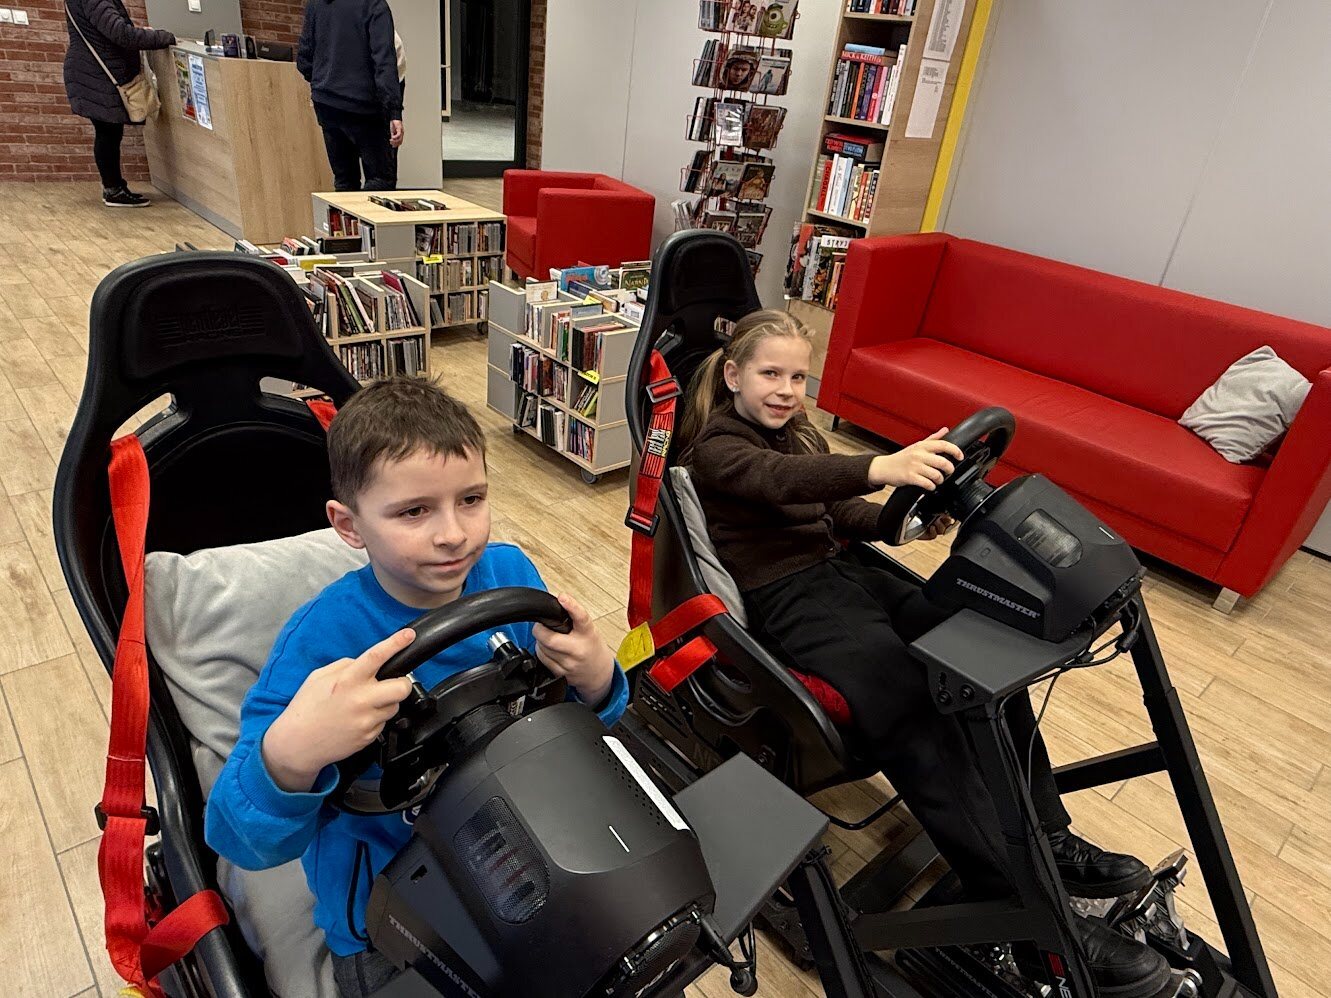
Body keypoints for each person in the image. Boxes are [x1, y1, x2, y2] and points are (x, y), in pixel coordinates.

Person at [678, 310, 1172, 998]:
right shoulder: (716, 447)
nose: (786, 389)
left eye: (797, 376)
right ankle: (1018, 909)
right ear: (733, 375)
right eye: (770, 373)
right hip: (788, 598)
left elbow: (830, 514)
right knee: (911, 702)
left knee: (982, 654)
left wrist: (903, 519)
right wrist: (881, 466)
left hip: (846, 574)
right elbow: (781, 481)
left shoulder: (795, 432)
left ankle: (1047, 837)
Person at [205, 377, 628, 998]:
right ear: (349, 525)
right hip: (394, 903)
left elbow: (574, 730)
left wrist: (596, 680)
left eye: (471, 499)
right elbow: (236, 836)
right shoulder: (320, 642)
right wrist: (293, 752)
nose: (454, 533)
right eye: (414, 511)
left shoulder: (510, 574)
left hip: (529, 846)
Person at [62, 0, 175, 208]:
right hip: (96, 75)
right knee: (108, 133)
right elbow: (120, 34)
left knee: (109, 132)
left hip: (92, 73)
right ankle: (113, 190)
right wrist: (163, 37)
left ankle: (114, 187)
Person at [297, 0, 405, 192]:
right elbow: (384, 61)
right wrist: (394, 111)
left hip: (327, 105)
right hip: (366, 109)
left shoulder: (316, 3)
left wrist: (324, 83)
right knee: (380, 181)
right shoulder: (373, 4)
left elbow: (304, 58)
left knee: (344, 181)